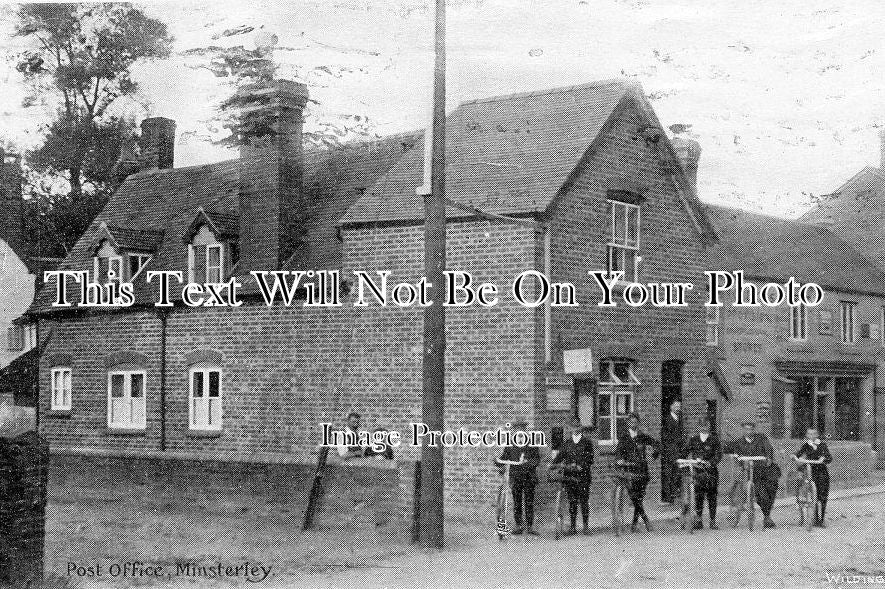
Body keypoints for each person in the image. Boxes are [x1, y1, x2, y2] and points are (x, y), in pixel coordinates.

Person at [724, 421, 779, 528]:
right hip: (748, 470)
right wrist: (736, 459)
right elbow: (734, 453)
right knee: (747, 488)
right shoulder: (739, 442)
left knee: (769, 488)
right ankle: (737, 509)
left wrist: (769, 458)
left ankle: (767, 516)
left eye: (751, 429)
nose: (749, 431)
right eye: (746, 429)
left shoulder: (761, 439)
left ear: (754, 430)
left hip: (763, 469)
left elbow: (768, 449)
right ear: (743, 430)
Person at [615, 413, 660, 533]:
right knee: (634, 496)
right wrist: (620, 459)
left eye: (635, 422)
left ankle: (634, 524)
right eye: (631, 422)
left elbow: (655, 443)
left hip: (642, 470)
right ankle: (645, 519)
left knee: (638, 497)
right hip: (630, 470)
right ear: (628, 424)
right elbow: (619, 450)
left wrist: (655, 452)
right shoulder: (624, 436)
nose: (633, 424)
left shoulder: (642, 436)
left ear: (638, 423)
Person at [496, 420, 541, 535]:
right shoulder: (510, 445)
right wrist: (497, 462)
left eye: (522, 430)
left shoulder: (532, 444)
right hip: (516, 477)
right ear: (514, 431)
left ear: (525, 431)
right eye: (517, 430)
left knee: (529, 501)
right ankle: (519, 525)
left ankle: (530, 526)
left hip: (529, 476)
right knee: (517, 501)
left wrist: (527, 463)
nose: (519, 432)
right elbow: (504, 457)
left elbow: (537, 460)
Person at [552, 417, 594, 535]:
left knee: (584, 501)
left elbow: (590, 459)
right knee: (572, 501)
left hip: (583, 476)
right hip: (570, 476)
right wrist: (553, 464)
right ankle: (573, 527)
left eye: (578, 426)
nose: (576, 429)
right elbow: (560, 456)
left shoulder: (587, 442)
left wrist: (582, 465)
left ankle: (586, 526)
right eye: (573, 427)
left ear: (581, 427)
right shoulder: (567, 443)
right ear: (570, 429)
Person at [681, 418, 722, 530]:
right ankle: (698, 519)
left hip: (710, 472)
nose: (704, 428)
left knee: (712, 495)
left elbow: (718, 455)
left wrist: (711, 462)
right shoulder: (693, 439)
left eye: (706, 426)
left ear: (709, 427)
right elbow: (685, 452)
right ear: (699, 427)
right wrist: (682, 460)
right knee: (698, 495)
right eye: (702, 426)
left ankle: (712, 521)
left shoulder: (714, 439)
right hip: (697, 471)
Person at [792, 427, 833, 527]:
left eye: (813, 434)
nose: (811, 436)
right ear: (807, 435)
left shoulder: (822, 445)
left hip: (821, 471)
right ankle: (812, 515)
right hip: (810, 471)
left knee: (822, 496)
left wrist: (823, 459)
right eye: (809, 434)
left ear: (817, 435)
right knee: (806, 488)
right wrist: (794, 456)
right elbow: (799, 453)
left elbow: (829, 457)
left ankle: (821, 519)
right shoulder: (806, 445)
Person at [660, 399, 684, 504]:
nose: (678, 408)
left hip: (677, 451)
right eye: (676, 406)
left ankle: (673, 495)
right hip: (669, 451)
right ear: (671, 407)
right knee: (668, 474)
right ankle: (667, 496)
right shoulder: (667, 420)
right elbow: (665, 436)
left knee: (675, 474)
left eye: (679, 407)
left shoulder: (679, 419)